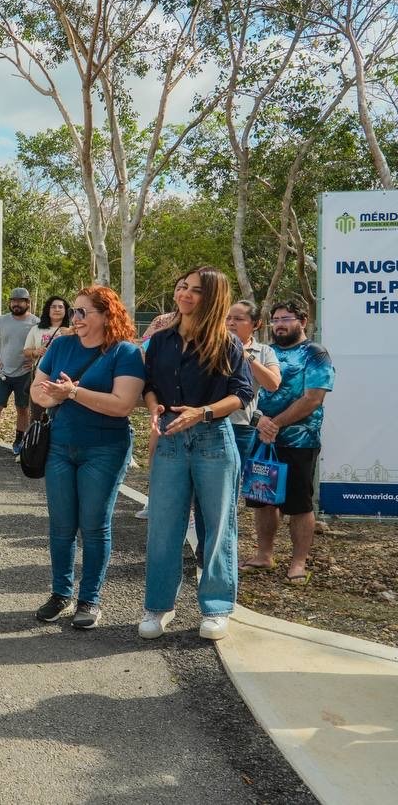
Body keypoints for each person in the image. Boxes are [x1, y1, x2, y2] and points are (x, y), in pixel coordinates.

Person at [140, 267, 253, 642]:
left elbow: (242, 394)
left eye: (195, 290)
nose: (184, 294)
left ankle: (216, 609)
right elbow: (150, 386)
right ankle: (158, 607)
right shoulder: (161, 340)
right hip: (172, 438)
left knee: (218, 528)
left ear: (212, 297)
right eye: (182, 287)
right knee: (163, 527)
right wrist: (155, 405)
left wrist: (202, 412)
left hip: (214, 440)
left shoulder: (228, 343)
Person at [30, 287, 144, 629]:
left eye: (82, 312)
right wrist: (56, 398)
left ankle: (89, 600)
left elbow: (122, 405)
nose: (74, 319)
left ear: (107, 315)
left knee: (94, 525)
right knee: (61, 525)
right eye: (74, 312)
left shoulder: (126, 353)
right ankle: (60, 593)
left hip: (105, 449)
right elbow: (37, 389)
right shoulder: (61, 345)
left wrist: (72, 393)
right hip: (60, 447)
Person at [243, 300, 334, 583]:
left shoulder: (315, 353)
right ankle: (264, 555)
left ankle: (298, 562)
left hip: (299, 440)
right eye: (275, 319)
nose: (279, 324)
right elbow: (244, 390)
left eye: (286, 319)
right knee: (263, 499)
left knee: (299, 503)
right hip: (261, 437)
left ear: (303, 321)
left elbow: (313, 398)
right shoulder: (263, 352)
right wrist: (260, 421)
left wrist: (277, 423)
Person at [134, 308, 180, 522]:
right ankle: (154, 500)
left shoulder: (211, 321)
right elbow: (144, 349)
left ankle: (185, 508)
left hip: (197, 406)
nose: (184, 293)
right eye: (181, 288)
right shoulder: (162, 321)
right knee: (157, 451)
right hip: (163, 401)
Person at [0, 287, 39, 456]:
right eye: (13, 301)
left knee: (23, 409)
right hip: (3, 373)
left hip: (25, 374)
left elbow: (45, 343)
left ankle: (19, 442)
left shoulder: (36, 322)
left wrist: (35, 362)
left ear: (27, 303)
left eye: (20, 301)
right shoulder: (2, 321)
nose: (16, 304)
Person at [225, 300, 282, 468]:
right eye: (228, 318)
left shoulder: (265, 352)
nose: (231, 323)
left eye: (238, 319)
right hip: (208, 423)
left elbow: (273, 383)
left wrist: (245, 354)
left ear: (256, 324)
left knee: (231, 483)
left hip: (241, 428)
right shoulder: (212, 347)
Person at [22, 295, 72, 362]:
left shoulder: (72, 330)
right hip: (41, 371)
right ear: (48, 310)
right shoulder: (36, 329)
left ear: (66, 311)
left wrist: (72, 334)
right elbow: (26, 351)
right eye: (53, 307)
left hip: (64, 371)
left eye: (60, 307)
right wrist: (35, 352)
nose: (57, 310)